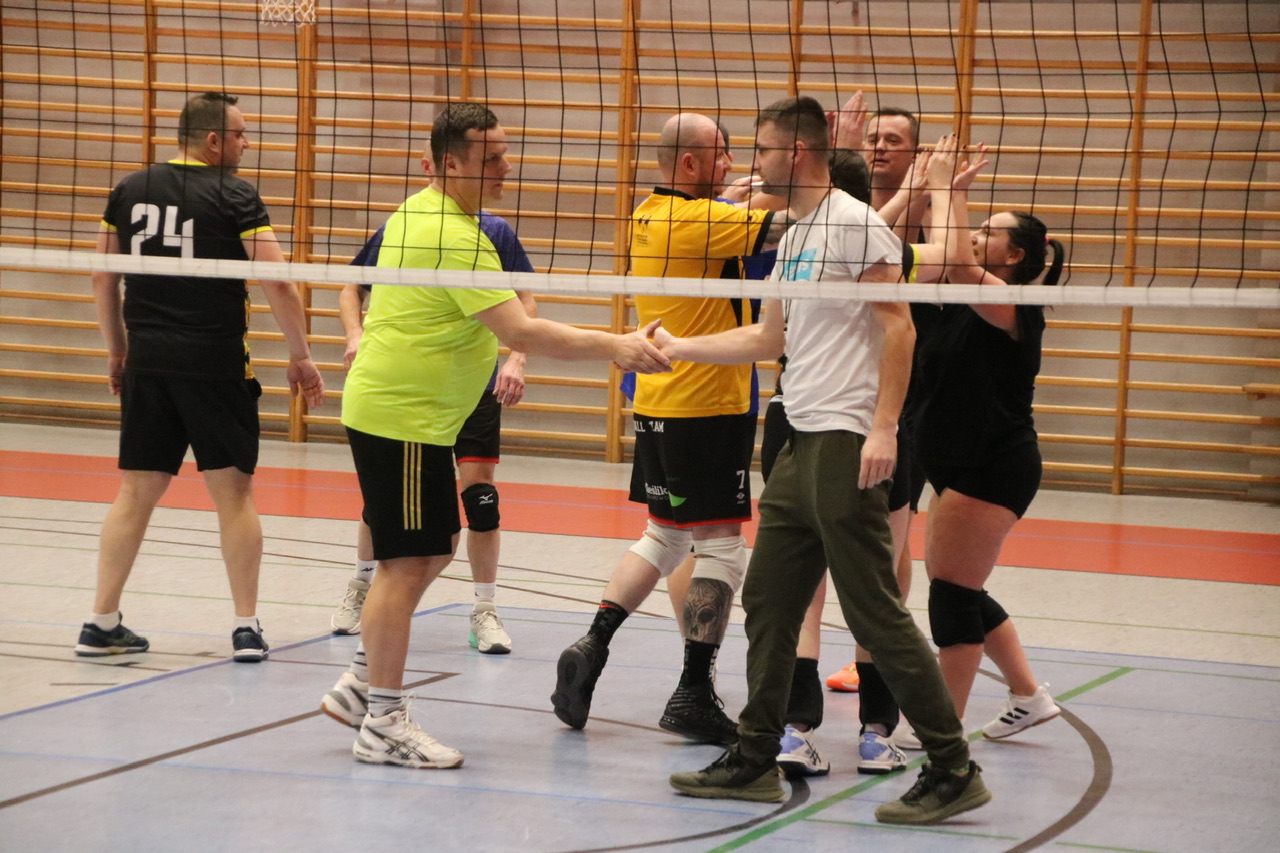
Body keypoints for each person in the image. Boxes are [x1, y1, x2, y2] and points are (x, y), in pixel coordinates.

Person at [663, 96, 990, 826]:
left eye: (763, 149)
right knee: (768, 599)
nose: (756, 162)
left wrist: (884, 430)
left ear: (799, 152)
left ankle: (952, 765)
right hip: (798, 437)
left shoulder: (853, 223)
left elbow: (899, 327)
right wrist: (678, 348)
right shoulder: (795, 235)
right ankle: (755, 757)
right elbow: (766, 340)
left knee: (874, 608)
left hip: (846, 437)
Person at [318, 102, 669, 770]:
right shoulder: (452, 237)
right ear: (451, 163)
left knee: (436, 547)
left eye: (506, 153)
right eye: (493, 158)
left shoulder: (419, 210)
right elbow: (522, 331)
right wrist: (617, 345)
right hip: (404, 417)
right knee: (405, 565)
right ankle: (382, 718)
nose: (507, 167)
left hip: (410, 415)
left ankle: (362, 682)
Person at [550, 112, 787, 745]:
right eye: (723, 154)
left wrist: (731, 200)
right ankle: (692, 692)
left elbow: (720, 224)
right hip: (707, 404)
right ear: (689, 164)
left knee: (664, 535)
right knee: (721, 547)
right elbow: (805, 222)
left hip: (657, 400)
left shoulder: (651, 212)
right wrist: (808, 165)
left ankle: (593, 642)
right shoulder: (703, 221)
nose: (732, 164)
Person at [76, 91, 325, 663]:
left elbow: (101, 278)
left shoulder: (129, 189)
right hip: (215, 364)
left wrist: (117, 353)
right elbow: (278, 282)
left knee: (134, 492)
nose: (246, 143)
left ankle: (100, 622)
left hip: (148, 363)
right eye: (240, 134)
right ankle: (245, 628)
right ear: (213, 141)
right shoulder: (235, 195)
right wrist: (301, 354)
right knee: (233, 494)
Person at [328, 211, 537, 656]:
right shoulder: (408, 222)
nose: (497, 175)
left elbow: (525, 301)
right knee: (385, 501)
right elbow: (351, 289)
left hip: (474, 388)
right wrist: (354, 335)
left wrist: (517, 359)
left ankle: (484, 609)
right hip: (415, 392)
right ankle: (363, 586)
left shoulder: (495, 231)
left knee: (481, 499)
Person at [913, 134, 1066, 741]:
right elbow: (941, 256)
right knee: (962, 587)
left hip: (992, 465)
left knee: (951, 596)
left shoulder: (1015, 305)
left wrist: (948, 191)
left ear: (1015, 254)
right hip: (957, 463)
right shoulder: (957, 301)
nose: (977, 235)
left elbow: (955, 261)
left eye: (989, 231)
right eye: (976, 227)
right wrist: (939, 194)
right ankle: (1028, 695)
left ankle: (942, 733)